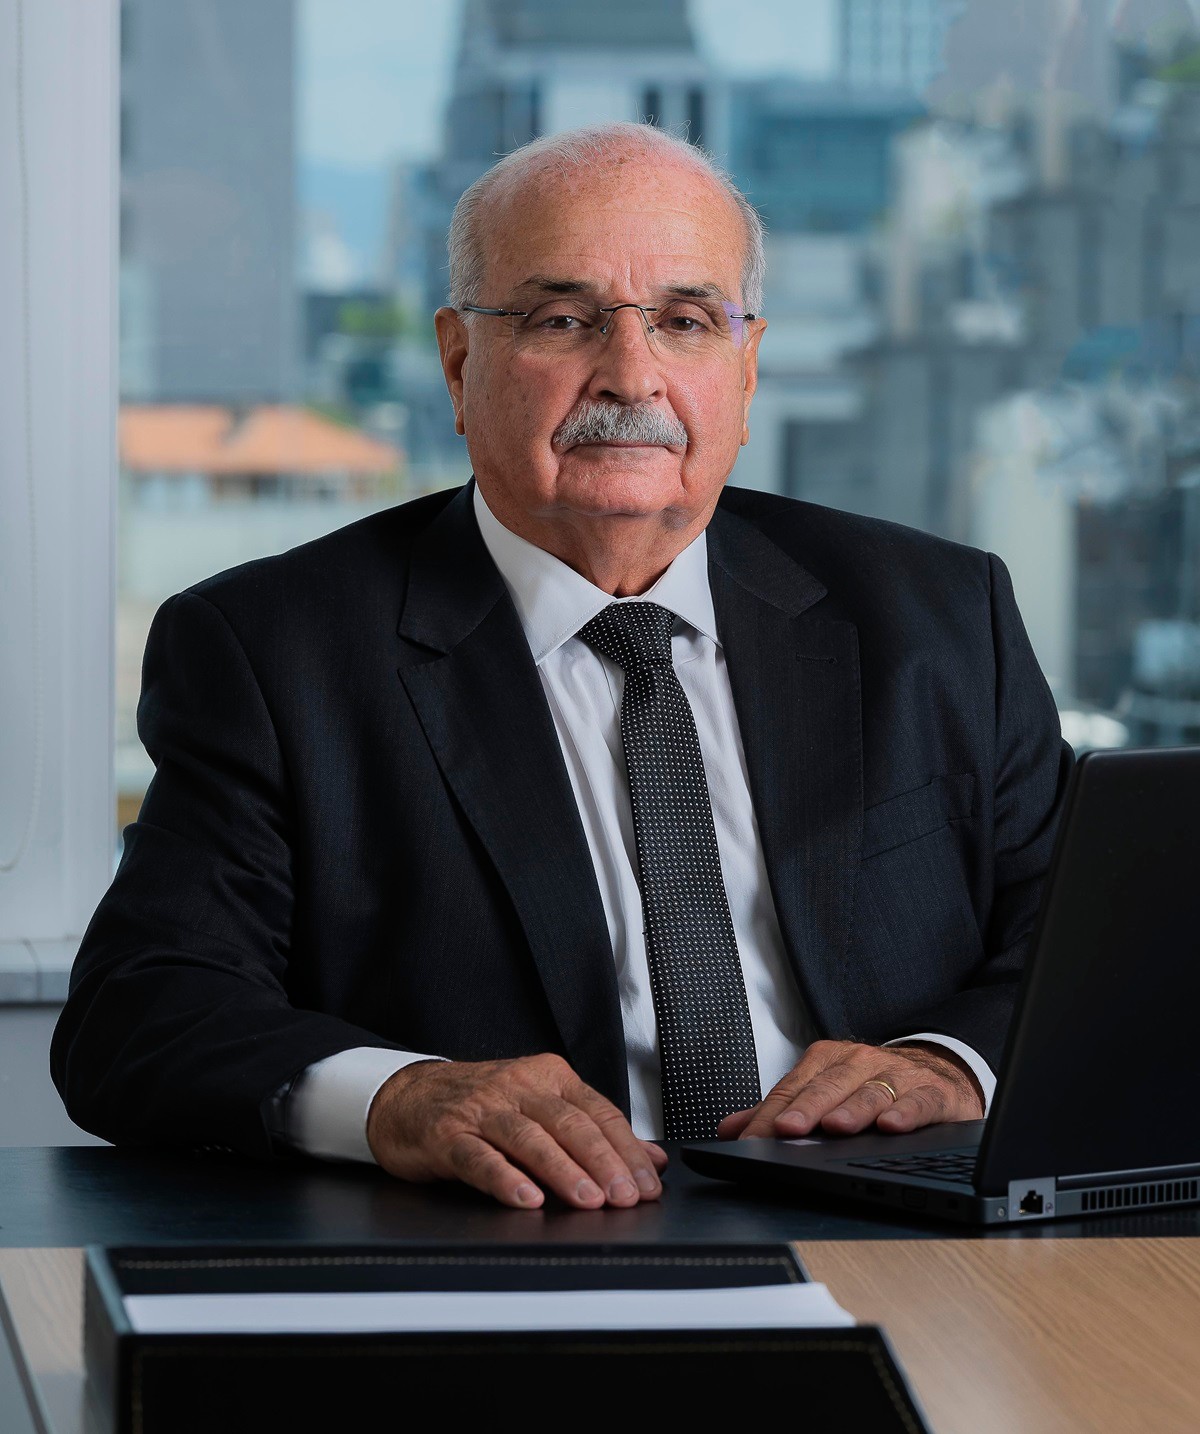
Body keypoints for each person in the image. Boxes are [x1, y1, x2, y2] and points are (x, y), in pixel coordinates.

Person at [51, 123, 1072, 1213]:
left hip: (906, 1236)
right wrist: (403, 1097)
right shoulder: (274, 650)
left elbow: (1085, 942)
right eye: (562, 319)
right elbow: (144, 1012)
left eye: (685, 320)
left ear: (748, 362)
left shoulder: (938, 617)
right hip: (520, 1260)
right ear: (458, 360)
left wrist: (946, 1064)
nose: (629, 374)